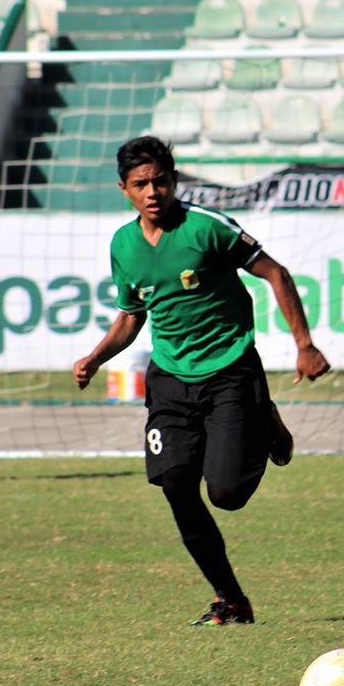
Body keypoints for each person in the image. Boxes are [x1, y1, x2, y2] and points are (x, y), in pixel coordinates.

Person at [73, 136, 330, 626]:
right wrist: (96, 357)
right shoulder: (123, 245)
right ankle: (230, 599)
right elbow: (132, 315)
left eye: (160, 181)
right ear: (124, 189)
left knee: (227, 495)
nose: (152, 192)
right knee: (175, 483)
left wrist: (304, 345)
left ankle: (264, 421)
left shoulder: (206, 228)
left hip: (230, 370)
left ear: (173, 181)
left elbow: (275, 273)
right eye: (140, 184)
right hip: (169, 378)